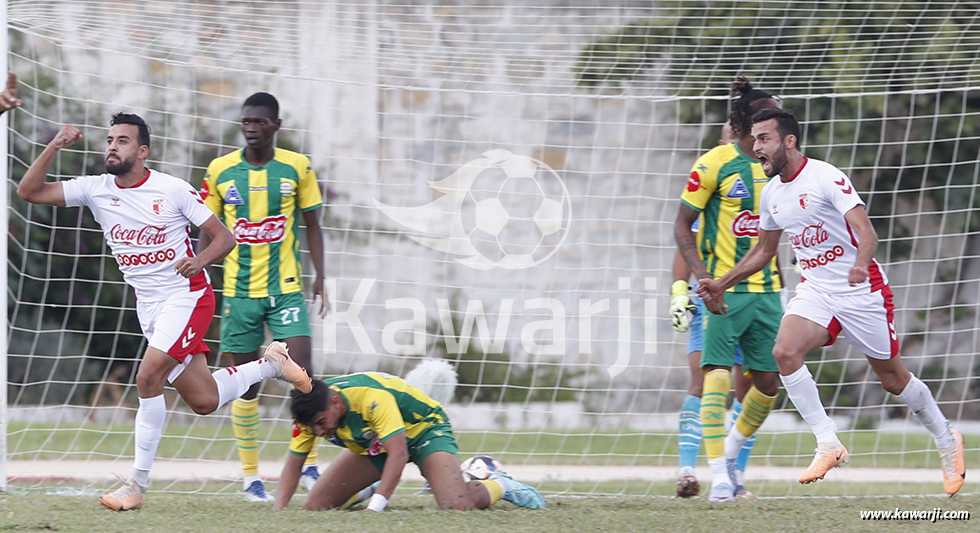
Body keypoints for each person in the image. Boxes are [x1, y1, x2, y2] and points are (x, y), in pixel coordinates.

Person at [16, 113, 313, 512]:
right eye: (109, 140)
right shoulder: (94, 189)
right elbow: (29, 192)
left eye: (122, 141)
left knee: (147, 375)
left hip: (186, 296)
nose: (111, 147)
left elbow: (225, 237)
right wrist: (54, 145)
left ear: (142, 151)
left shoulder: (171, 189)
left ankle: (136, 485)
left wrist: (201, 260)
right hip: (150, 307)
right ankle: (270, 364)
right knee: (204, 400)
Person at [697, 108, 967, 495]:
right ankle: (828, 443)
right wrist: (721, 283)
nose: (756, 147)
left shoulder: (825, 177)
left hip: (861, 290)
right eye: (754, 139)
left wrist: (858, 265)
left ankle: (945, 437)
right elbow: (762, 252)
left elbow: (866, 233)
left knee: (893, 380)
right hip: (816, 290)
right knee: (785, 351)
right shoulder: (772, 192)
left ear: (789, 140)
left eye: (764, 139)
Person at [199, 92, 328, 501]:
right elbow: (206, 226)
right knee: (246, 388)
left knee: (303, 374)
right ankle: (251, 479)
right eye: (246, 122)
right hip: (239, 294)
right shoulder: (220, 170)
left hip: (286, 288)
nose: (251, 128)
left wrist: (321, 275)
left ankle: (305, 463)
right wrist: (200, 270)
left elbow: (312, 225)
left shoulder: (297, 167)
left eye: (259, 122)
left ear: (275, 126)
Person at [673, 77, 784, 502]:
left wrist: (787, 288)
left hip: (767, 291)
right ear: (745, 123)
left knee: (768, 383)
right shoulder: (713, 164)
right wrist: (692, 283)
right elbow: (684, 226)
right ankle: (717, 475)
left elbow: (775, 237)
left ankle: (733, 464)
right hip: (721, 290)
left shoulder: (778, 167)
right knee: (709, 376)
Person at [274, 373, 546, 511]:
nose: (319, 431)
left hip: (424, 430)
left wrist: (376, 508)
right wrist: (280, 511)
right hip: (377, 445)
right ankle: (372, 486)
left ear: (335, 402)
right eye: (314, 427)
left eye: (322, 422)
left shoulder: (370, 397)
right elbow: (294, 464)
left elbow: (399, 453)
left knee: (457, 506)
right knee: (315, 506)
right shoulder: (308, 416)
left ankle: (495, 479)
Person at [669, 121, 759, 499]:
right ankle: (687, 469)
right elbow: (683, 237)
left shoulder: (768, 179)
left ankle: (735, 475)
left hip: (757, 295)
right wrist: (678, 291)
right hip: (711, 294)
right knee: (702, 378)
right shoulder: (712, 176)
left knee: (750, 385)